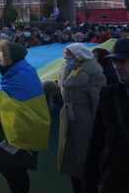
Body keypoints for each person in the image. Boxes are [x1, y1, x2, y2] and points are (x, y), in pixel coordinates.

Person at [0, 40, 50, 193]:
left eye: (1, 56)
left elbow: (11, 95)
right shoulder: (18, 71)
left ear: (10, 58)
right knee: (10, 164)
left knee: (12, 165)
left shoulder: (21, 74)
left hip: (20, 128)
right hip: (14, 128)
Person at [42, 43, 105, 193]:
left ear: (79, 57)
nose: (65, 58)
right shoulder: (68, 70)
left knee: (84, 164)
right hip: (68, 121)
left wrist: (99, 131)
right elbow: (65, 94)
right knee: (71, 163)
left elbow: (98, 105)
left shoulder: (95, 76)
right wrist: (49, 86)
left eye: (69, 55)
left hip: (85, 124)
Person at [83, 38, 129, 192]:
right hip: (113, 180)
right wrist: (89, 181)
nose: (117, 66)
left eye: (122, 61)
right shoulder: (108, 92)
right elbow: (97, 140)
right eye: (114, 61)